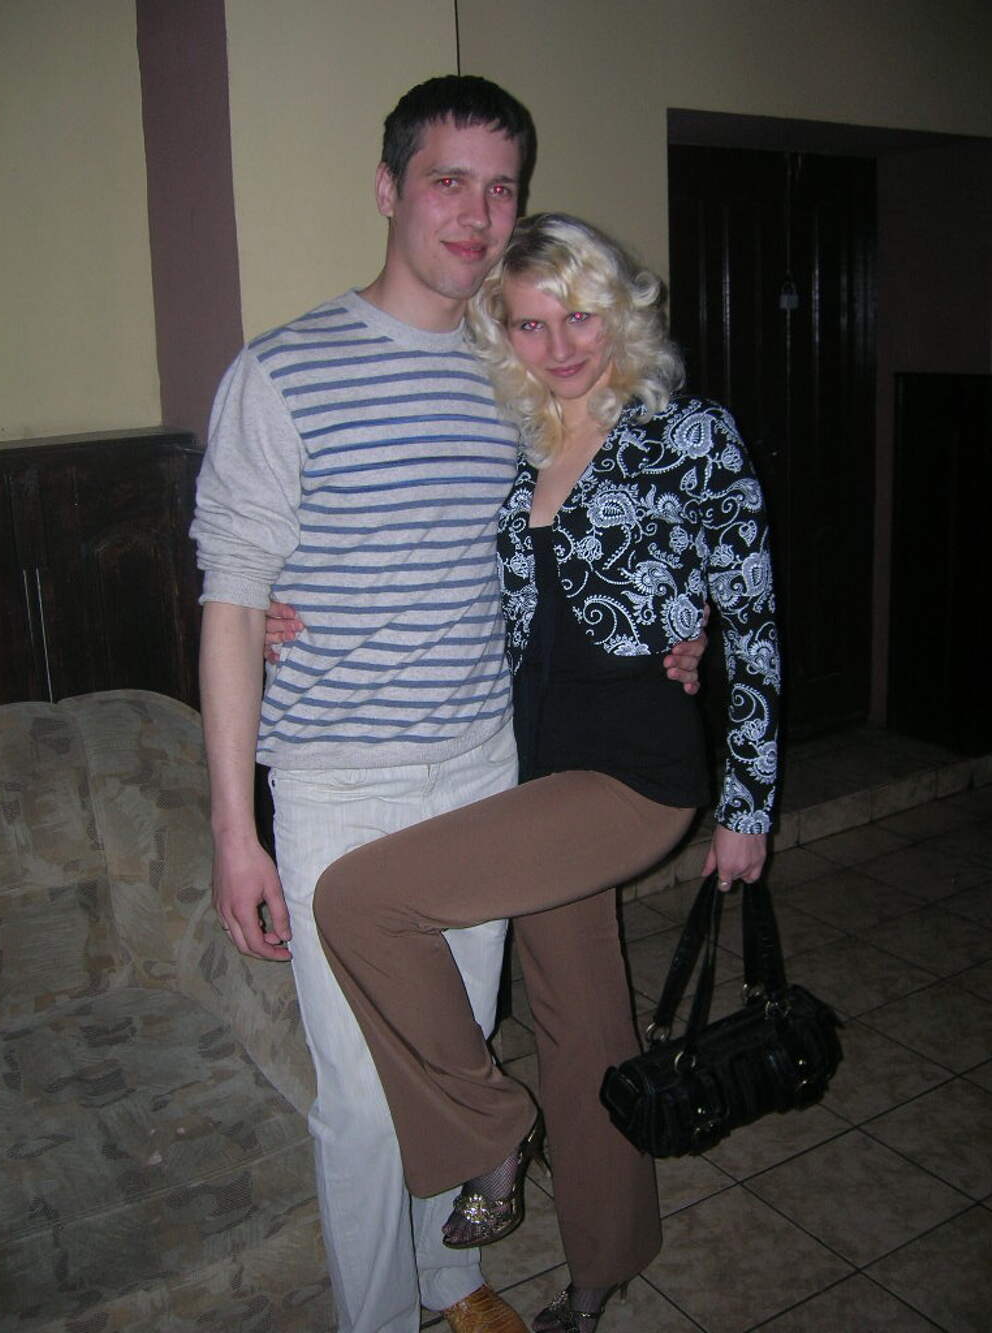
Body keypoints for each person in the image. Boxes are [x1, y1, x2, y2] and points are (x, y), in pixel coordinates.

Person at [192, 78, 704, 1333]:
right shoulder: (280, 372)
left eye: (500, 189)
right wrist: (234, 829)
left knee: (455, 1050)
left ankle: (449, 1284)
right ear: (389, 189)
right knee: (368, 1101)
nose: (476, 214)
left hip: (484, 764)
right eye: (446, 181)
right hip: (336, 781)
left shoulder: (514, 366)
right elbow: (230, 596)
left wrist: (678, 624)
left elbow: (602, 519)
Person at [312, 213, 780, 1332]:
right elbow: (419, 558)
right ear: (504, 335)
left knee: (359, 900)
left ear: (617, 311)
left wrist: (747, 804)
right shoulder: (511, 438)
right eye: (531, 324)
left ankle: (489, 1128)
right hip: (530, 767)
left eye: (578, 316)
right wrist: (290, 607)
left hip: (633, 774)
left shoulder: (690, 434)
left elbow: (754, 622)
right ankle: (603, 1266)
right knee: (584, 1024)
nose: (559, 345)